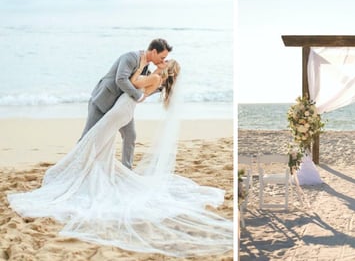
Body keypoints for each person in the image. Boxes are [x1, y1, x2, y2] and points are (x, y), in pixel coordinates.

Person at [7, 57, 233, 257]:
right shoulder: (157, 81)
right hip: (124, 109)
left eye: (165, 61)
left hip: (121, 110)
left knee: (94, 142)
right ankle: (83, 169)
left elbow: (133, 84)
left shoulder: (155, 78)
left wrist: (142, 66)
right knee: (98, 143)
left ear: (167, 68)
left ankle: (77, 172)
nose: (161, 62)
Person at [80, 38, 172, 169]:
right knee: (87, 136)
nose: (163, 61)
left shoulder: (146, 67)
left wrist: (164, 82)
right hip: (102, 100)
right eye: (162, 57)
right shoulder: (131, 57)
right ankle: (76, 166)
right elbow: (121, 79)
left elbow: (144, 87)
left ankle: (127, 168)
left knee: (130, 135)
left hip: (120, 106)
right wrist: (138, 95)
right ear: (154, 51)